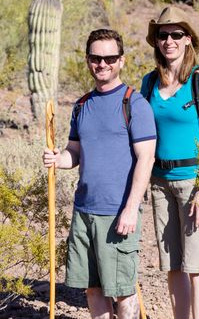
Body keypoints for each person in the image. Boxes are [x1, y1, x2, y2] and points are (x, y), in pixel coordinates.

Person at [43, 28, 156, 319]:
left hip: (118, 212)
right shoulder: (82, 106)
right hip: (83, 211)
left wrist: (131, 209)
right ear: (87, 60)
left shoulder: (134, 104)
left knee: (122, 289)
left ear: (121, 61)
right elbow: (75, 154)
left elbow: (146, 159)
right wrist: (58, 158)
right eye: (96, 58)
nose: (102, 64)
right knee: (92, 288)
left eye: (109, 58)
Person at [141, 6, 199, 319]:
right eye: (163, 35)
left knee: (196, 267)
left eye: (176, 34)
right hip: (159, 182)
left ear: (188, 38)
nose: (169, 40)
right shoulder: (149, 83)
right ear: (157, 41)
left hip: (192, 183)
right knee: (172, 266)